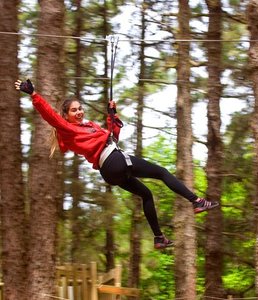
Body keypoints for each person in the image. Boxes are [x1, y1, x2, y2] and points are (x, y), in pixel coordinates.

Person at [15, 79, 219, 249]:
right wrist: (34, 95)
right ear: (66, 115)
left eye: (80, 108)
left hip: (110, 171)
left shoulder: (90, 126)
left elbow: (112, 137)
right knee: (162, 172)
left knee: (146, 194)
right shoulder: (68, 129)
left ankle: (158, 237)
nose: (79, 112)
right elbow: (50, 116)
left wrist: (112, 116)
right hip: (113, 160)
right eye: (74, 110)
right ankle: (196, 201)